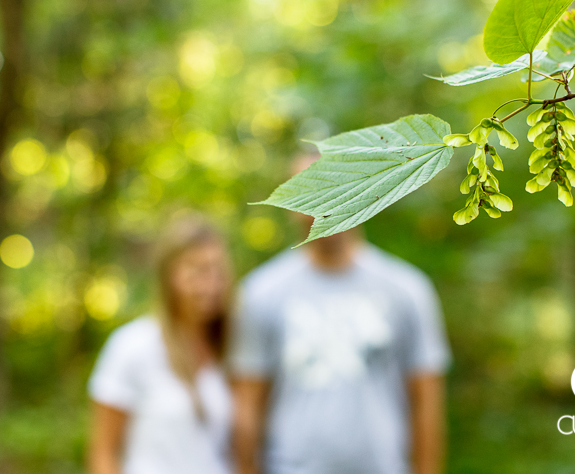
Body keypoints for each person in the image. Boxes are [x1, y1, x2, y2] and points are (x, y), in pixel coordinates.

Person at [231, 157, 452, 474]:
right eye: (305, 193)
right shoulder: (260, 293)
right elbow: (248, 404)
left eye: (332, 188)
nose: (320, 204)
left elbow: (427, 402)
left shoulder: (407, 289)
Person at [87, 215, 233, 474]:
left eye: (217, 271)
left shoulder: (233, 348)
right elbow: (104, 452)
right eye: (198, 270)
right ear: (169, 275)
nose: (211, 284)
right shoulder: (132, 346)